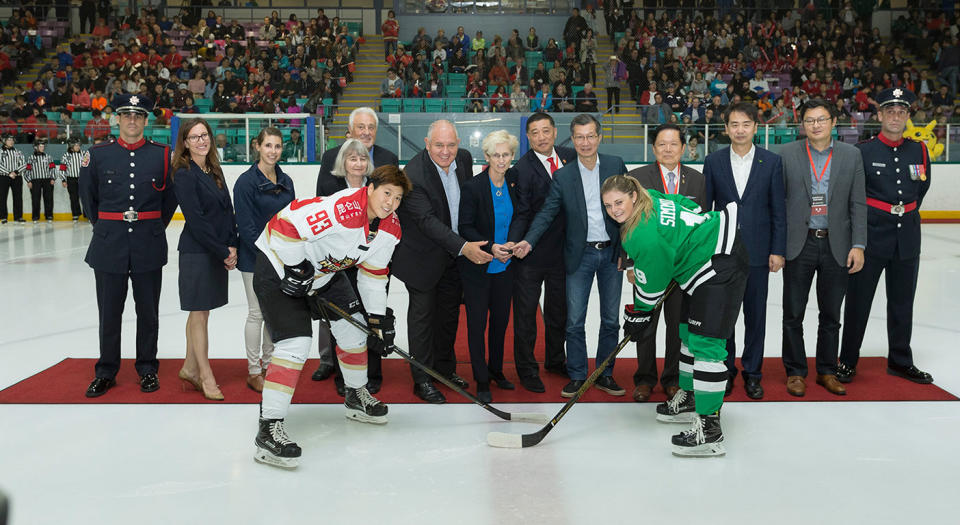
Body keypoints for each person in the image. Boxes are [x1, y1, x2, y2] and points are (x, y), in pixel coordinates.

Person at [252, 165, 411, 469]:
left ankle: (355, 394)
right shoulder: (345, 209)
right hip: (280, 265)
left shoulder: (390, 229)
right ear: (371, 188)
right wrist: (297, 267)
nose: (390, 202)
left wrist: (378, 321)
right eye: (386, 193)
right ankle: (268, 428)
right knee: (295, 344)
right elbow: (285, 226)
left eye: (398, 197)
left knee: (356, 330)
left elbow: (373, 277)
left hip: (325, 273)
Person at [603, 173, 746, 457]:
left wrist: (639, 315)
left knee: (707, 345)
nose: (614, 210)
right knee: (687, 333)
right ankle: (691, 398)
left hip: (718, 263)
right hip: (710, 251)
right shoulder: (651, 197)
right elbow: (687, 205)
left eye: (618, 202)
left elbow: (652, 288)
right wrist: (684, 239)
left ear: (632, 196)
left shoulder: (641, 234)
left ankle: (710, 431)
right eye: (608, 205)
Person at [512, 114, 627, 398]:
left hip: (612, 254)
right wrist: (527, 241)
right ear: (572, 140)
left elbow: (631, 213)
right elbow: (547, 212)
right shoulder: (563, 175)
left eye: (590, 136)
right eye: (579, 137)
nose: (585, 142)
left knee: (611, 319)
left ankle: (605, 373)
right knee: (574, 321)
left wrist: (631, 253)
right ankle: (577, 374)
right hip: (580, 256)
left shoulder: (615, 165)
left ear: (599, 137)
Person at [79, 94, 178, 397]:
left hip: (148, 243)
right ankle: (106, 370)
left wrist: (150, 227)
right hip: (109, 245)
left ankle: (147, 368)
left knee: (148, 312)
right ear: (117, 119)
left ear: (147, 121)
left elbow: (169, 200)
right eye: (126, 115)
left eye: (138, 115)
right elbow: (88, 201)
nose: (132, 120)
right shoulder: (97, 154)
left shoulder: (163, 155)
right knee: (109, 312)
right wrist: (109, 227)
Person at [391, 120, 492, 404]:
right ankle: (422, 378)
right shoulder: (413, 174)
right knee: (423, 319)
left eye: (451, 145)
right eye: (439, 145)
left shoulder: (464, 158)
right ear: (426, 143)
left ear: (458, 144)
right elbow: (427, 222)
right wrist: (464, 247)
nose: (446, 152)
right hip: (422, 258)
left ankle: (444, 370)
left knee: (448, 316)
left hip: (454, 256)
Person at [839, 87, 934, 385]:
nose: (895, 117)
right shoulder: (863, 151)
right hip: (871, 238)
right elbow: (853, 198)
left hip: (907, 237)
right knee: (858, 302)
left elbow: (921, 188)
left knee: (903, 303)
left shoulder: (919, 150)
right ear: (879, 115)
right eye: (890, 111)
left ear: (907, 116)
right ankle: (847, 360)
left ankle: (900, 360)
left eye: (901, 112)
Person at [780, 98, 866, 397]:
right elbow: (779, 204)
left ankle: (827, 370)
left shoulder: (851, 155)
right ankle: (795, 371)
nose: (815, 125)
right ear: (802, 125)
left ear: (832, 122)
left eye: (821, 119)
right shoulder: (787, 154)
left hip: (836, 244)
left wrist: (858, 244)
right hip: (798, 244)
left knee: (831, 314)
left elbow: (857, 203)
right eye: (809, 120)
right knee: (793, 313)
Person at [702, 102, 786, 400]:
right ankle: (725, 371)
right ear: (726, 129)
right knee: (725, 317)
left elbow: (778, 210)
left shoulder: (771, 162)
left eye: (745, 124)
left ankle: (753, 373)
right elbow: (706, 211)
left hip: (759, 254)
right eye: (734, 124)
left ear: (755, 127)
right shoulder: (713, 162)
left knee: (755, 316)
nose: (740, 130)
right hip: (723, 255)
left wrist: (777, 249)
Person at [313, 107, 398, 388]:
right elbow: (322, 207)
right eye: (360, 127)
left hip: (372, 259)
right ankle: (343, 375)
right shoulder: (331, 159)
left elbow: (392, 207)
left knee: (373, 314)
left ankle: (373, 374)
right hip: (340, 259)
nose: (366, 132)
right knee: (344, 318)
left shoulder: (388, 160)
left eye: (370, 127)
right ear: (350, 131)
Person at [625, 123, 706, 402]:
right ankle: (645, 378)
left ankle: (672, 378)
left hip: (682, 270)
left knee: (676, 326)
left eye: (673, 144)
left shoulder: (698, 180)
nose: (668, 149)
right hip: (648, 267)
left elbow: (701, 224)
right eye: (662, 144)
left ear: (684, 148)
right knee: (646, 323)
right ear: (654, 148)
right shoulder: (636, 178)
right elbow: (627, 223)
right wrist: (630, 263)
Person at [509, 113, 577, 392]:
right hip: (531, 254)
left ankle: (555, 359)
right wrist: (517, 244)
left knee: (558, 311)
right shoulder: (520, 169)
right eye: (534, 133)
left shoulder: (570, 157)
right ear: (527, 137)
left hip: (564, 252)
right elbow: (522, 213)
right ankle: (526, 369)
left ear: (554, 131)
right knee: (526, 315)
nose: (541, 137)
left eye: (545, 131)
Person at [172, 118, 238, 401]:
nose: (201, 140)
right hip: (198, 252)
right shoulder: (184, 173)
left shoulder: (213, 168)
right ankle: (205, 375)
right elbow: (196, 220)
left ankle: (189, 367)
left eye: (204, 135)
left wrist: (233, 243)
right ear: (185, 142)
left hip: (217, 248)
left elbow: (227, 209)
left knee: (201, 312)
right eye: (194, 136)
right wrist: (223, 251)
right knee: (199, 313)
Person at [458, 130, 521, 403]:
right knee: (477, 325)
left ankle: (496, 370)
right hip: (479, 267)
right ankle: (481, 378)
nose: (501, 159)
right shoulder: (473, 187)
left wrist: (512, 243)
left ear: (512, 156)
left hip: (506, 267)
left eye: (506, 154)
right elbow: (465, 226)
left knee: (500, 323)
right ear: (486, 156)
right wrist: (492, 246)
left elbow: (521, 215)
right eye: (495, 155)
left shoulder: (515, 182)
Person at [233, 127, 295, 393]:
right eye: (268, 145)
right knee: (257, 313)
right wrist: (269, 254)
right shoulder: (245, 183)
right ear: (257, 146)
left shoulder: (286, 180)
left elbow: (292, 218)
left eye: (277, 146)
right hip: (254, 258)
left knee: (273, 314)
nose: (273, 151)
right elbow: (246, 228)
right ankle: (253, 370)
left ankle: (270, 364)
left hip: (281, 257)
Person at [24, 138, 56, 223]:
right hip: (35, 180)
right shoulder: (31, 158)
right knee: (35, 199)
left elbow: (53, 169)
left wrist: (53, 178)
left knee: (49, 198)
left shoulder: (48, 157)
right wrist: (28, 180)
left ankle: (49, 216)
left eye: (43, 146)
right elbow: (27, 171)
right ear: (35, 147)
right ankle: (35, 217)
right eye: (41, 146)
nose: (43, 148)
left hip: (47, 180)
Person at [0, 134, 26, 224]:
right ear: (4, 141)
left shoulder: (18, 152)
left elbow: (23, 164)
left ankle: (18, 217)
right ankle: (3, 217)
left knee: (18, 197)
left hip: (17, 177)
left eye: (12, 140)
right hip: (3, 177)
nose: (11, 141)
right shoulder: (0, 152)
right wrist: (8, 173)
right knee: (2, 197)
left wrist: (15, 172)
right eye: (9, 140)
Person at [59, 137, 86, 221]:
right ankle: (75, 214)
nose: (78, 147)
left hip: (83, 179)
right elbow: (62, 168)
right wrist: (63, 179)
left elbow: (88, 167)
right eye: (76, 145)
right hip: (71, 179)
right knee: (73, 197)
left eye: (79, 145)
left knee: (85, 197)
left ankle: (87, 214)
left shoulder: (84, 154)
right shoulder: (66, 156)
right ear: (71, 146)